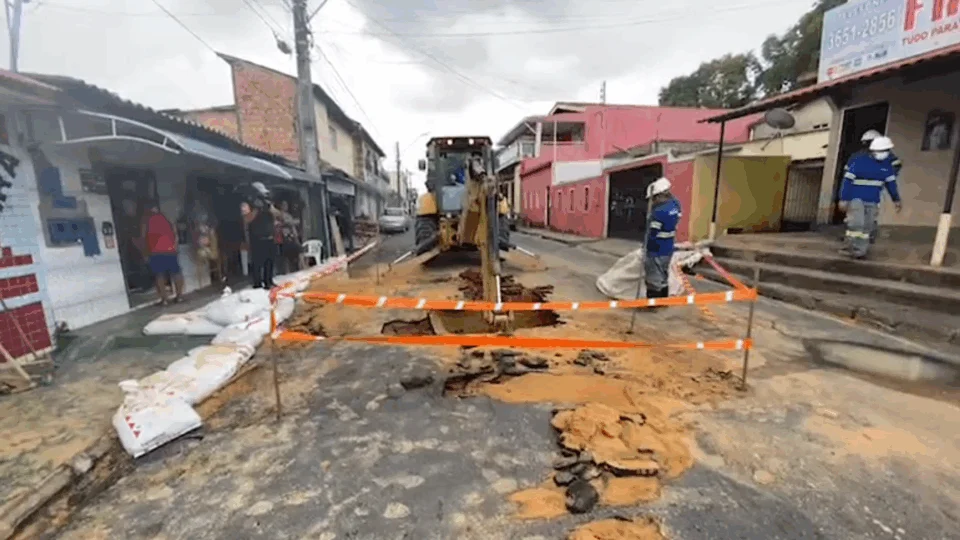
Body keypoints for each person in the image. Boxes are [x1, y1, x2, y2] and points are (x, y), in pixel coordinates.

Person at [838, 136, 902, 260]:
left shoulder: (887, 167)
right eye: (883, 151)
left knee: (867, 226)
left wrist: (896, 199)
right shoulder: (859, 162)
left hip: (872, 200)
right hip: (855, 198)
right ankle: (853, 248)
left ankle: (860, 251)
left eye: (887, 151)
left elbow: (891, 185)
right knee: (857, 224)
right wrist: (843, 199)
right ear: (873, 151)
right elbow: (847, 181)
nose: (885, 154)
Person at [644, 177, 681, 300]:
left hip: (656, 250)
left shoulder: (658, 213)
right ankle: (663, 300)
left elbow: (653, 234)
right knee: (664, 274)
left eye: (653, 198)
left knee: (653, 278)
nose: (652, 201)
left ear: (659, 196)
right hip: (669, 247)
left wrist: (647, 249)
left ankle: (653, 304)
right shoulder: (675, 204)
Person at [141, 203, 184, 305]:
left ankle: (164, 299)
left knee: (159, 275)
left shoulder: (146, 220)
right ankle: (179, 297)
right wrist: (175, 246)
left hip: (156, 251)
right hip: (170, 250)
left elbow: (143, 237)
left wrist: (145, 252)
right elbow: (174, 232)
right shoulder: (165, 217)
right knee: (176, 273)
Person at [242, 186, 279, 289]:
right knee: (257, 263)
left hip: (269, 237)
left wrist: (269, 207)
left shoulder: (267, 204)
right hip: (257, 239)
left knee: (270, 261)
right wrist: (256, 209)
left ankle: (269, 281)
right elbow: (246, 219)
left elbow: (277, 214)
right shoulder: (249, 204)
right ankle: (257, 284)